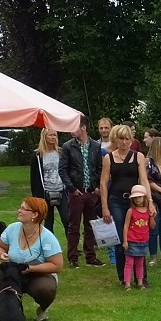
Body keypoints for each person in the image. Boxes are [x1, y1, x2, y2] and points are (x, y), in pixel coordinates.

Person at [0, 197, 63, 321]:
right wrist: (1, 254)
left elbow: (57, 265)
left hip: (37, 273)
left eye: (23, 209)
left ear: (35, 215)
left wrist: (31, 269)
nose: (19, 211)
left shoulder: (48, 237)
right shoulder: (12, 228)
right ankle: (9, 307)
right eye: (20, 207)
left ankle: (43, 308)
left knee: (45, 289)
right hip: (12, 269)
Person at [101, 124, 154, 285]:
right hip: (115, 200)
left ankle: (141, 277)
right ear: (115, 139)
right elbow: (103, 183)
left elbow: (144, 180)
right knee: (119, 238)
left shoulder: (138, 156)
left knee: (138, 235)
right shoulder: (108, 158)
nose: (124, 142)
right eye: (121, 139)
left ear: (131, 140)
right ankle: (124, 278)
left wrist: (149, 202)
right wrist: (104, 207)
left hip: (136, 201)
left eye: (127, 139)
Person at [59, 115, 105, 268]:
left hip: (91, 191)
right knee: (74, 225)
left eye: (74, 126)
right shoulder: (68, 146)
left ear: (83, 127)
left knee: (91, 224)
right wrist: (72, 188)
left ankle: (90, 255)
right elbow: (63, 170)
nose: (71, 130)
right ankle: (73, 256)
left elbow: (99, 168)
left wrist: (97, 186)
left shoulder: (95, 146)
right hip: (76, 192)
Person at [29, 128, 66, 236]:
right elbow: (34, 177)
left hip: (61, 190)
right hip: (45, 192)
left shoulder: (61, 152)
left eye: (55, 135)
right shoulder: (37, 155)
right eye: (50, 135)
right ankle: (50, 247)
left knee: (67, 218)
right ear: (44, 137)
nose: (53, 137)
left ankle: (72, 248)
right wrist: (36, 196)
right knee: (48, 221)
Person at [123, 185, 154, 290]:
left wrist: (152, 217)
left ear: (145, 197)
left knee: (140, 262)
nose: (137, 200)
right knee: (129, 262)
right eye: (135, 198)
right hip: (132, 240)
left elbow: (152, 226)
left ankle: (140, 282)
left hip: (143, 240)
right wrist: (125, 241)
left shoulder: (147, 211)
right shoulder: (131, 211)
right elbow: (126, 226)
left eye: (140, 197)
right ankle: (127, 283)